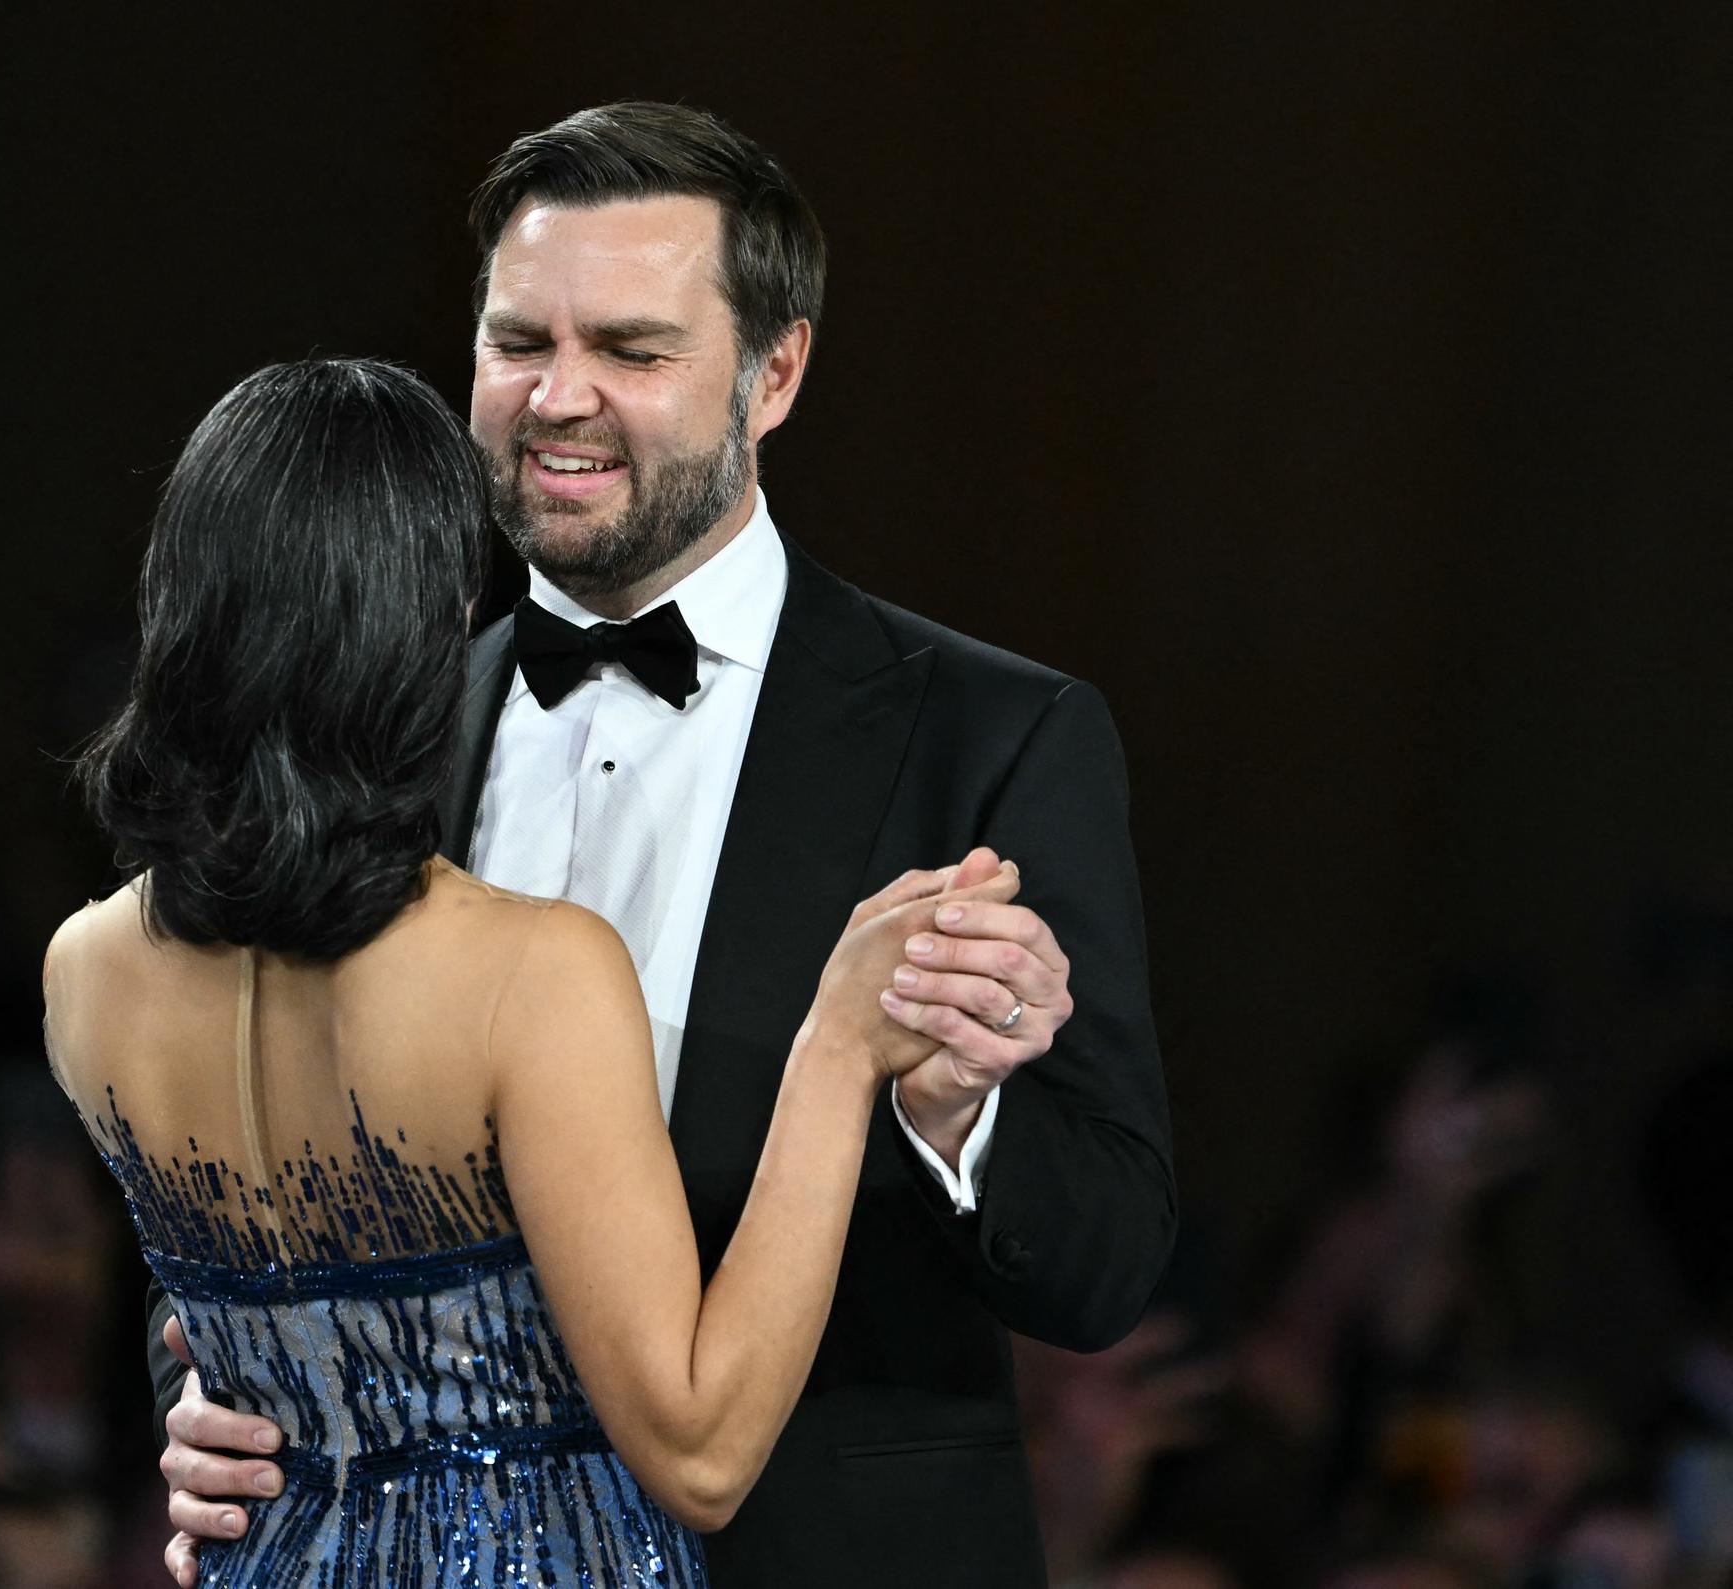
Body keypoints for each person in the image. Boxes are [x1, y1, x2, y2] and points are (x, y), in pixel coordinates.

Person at [145, 103, 1177, 1589]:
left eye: (631, 352)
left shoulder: (991, 735)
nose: (559, 399)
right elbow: (233, 1148)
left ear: (777, 372)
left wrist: (960, 1119)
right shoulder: (375, 719)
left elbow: (1106, 1266)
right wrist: (198, 1386)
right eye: (519, 345)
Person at [44, 357, 1023, 1586]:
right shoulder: (533, 971)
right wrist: (839, 1044)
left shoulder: (80, 973)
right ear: (433, 621)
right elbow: (702, 1452)